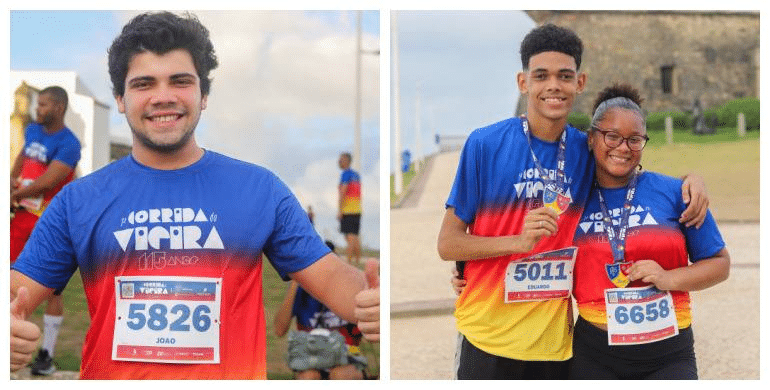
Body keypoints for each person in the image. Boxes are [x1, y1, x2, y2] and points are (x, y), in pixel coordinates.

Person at [10, 11, 379, 380]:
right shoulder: (78, 201)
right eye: (144, 84)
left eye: (180, 81)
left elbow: (330, 278)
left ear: (204, 94)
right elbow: (17, 294)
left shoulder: (259, 189)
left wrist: (373, 301)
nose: (163, 97)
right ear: (120, 99)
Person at [437, 23, 708, 380]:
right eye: (541, 76)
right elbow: (448, 243)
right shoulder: (485, 144)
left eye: (564, 76)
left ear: (579, 83)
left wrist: (691, 181)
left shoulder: (586, 149)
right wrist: (515, 242)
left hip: (556, 344)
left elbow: (631, 170)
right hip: (487, 337)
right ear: (523, 82)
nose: (553, 85)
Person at [568, 84, 730, 379]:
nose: (623, 147)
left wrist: (670, 278)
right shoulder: (573, 201)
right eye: (612, 136)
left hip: (668, 355)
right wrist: (465, 275)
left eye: (634, 139)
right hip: (594, 355)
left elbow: (720, 264)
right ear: (592, 138)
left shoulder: (673, 192)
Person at [10, 85, 81, 376]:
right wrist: (11, 180)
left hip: (51, 223)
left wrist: (12, 194)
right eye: (37, 104)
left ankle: (46, 356)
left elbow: (50, 181)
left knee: (53, 291)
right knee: (10, 284)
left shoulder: (70, 143)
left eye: (44, 105)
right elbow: (22, 160)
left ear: (59, 108)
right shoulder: (33, 132)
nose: (37, 109)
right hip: (23, 217)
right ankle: (9, 356)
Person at [274, 241, 368, 380]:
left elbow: (372, 335)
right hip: (311, 354)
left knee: (341, 375)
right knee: (308, 377)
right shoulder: (302, 290)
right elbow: (279, 330)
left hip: (348, 352)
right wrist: (295, 282)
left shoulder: (348, 289)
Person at [337, 152, 362, 266]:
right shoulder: (356, 175)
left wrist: (340, 210)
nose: (339, 161)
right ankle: (357, 262)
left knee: (350, 237)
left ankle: (348, 263)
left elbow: (343, 192)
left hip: (348, 210)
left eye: (341, 159)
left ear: (347, 160)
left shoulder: (345, 174)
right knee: (355, 237)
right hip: (357, 209)